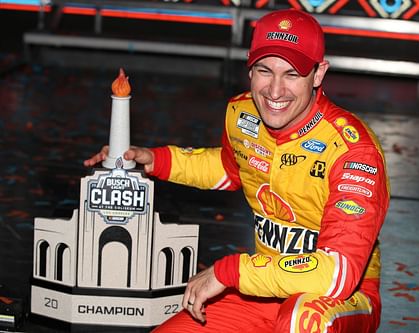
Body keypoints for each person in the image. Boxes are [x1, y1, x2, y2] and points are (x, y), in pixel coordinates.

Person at [84, 8, 390, 333]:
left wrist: (228, 271)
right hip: (266, 286)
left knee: (304, 320)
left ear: (317, 74)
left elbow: (337, 274)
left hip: (340, 299)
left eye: (292, 74)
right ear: (249, 67)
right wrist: (156, 159)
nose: (274, 91)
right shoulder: (242, 113)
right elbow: (230, 169)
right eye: (264, 71)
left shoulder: (354, 151)